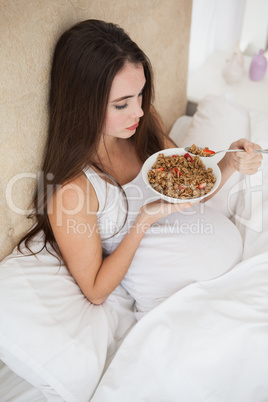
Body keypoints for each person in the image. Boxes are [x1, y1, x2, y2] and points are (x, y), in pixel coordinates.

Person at [18, 19, 262, 308]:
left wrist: (230, 162)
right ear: (82, 103)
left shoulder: (142, 126)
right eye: (121, 104)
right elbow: (96, 291)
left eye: (141, 93)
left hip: (240, 270)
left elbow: (193, 191)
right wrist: (145, 219)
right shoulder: (72, 190)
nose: (138, 111)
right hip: (187, 301)